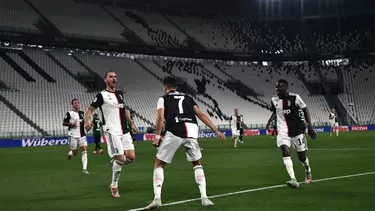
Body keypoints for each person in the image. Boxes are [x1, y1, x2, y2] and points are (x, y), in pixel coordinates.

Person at [145, 76, 226, 210]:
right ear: (176, 87)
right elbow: (201, 114)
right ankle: (204, 197)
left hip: (175, 131)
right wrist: (216, 130)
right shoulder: (188, 98)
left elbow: (160, 117)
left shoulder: (163, 98)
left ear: (165, 87)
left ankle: (157, 199)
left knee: (159, 163)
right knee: (196, 163)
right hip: (191, 132)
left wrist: (157, 136)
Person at [84, 71, 138, 198]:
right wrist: (88, 121)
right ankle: (114, 185)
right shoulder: (101, 95)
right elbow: (89, 110)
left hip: (124, 131)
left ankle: (115, 162)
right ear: (105, 80)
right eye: (111, 77)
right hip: (111, 130)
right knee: (121, 158)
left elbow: (125, 111)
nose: (114, 78)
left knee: (131, 158)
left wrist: (132, 124)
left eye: (115, 77)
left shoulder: (120, 94)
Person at [266, 79, 316, 188]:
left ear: (286, 88)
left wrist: (310, 127)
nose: (278, 89)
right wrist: (269, 121)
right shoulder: (274, 100)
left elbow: (305, 110)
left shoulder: (295, 98)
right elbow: (276, 111)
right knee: (285, 150)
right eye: (276, 87)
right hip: (283, 131)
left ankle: (307, 168)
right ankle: (293, 179)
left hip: (297, 131)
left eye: (280, 87)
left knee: (302, 157)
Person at [62, 99, 89, 174]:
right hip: (73, 135)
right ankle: (70, 153)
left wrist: (88, 126)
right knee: (75, 153)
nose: (77, 104)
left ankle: (84, 169)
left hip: (82, 135)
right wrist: (71, 124)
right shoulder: (69, 113)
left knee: (84, 151)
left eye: (78, 103)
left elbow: (84, 123)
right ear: (72, 105)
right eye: (75, 103)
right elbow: (63, 123)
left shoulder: (82, 113)